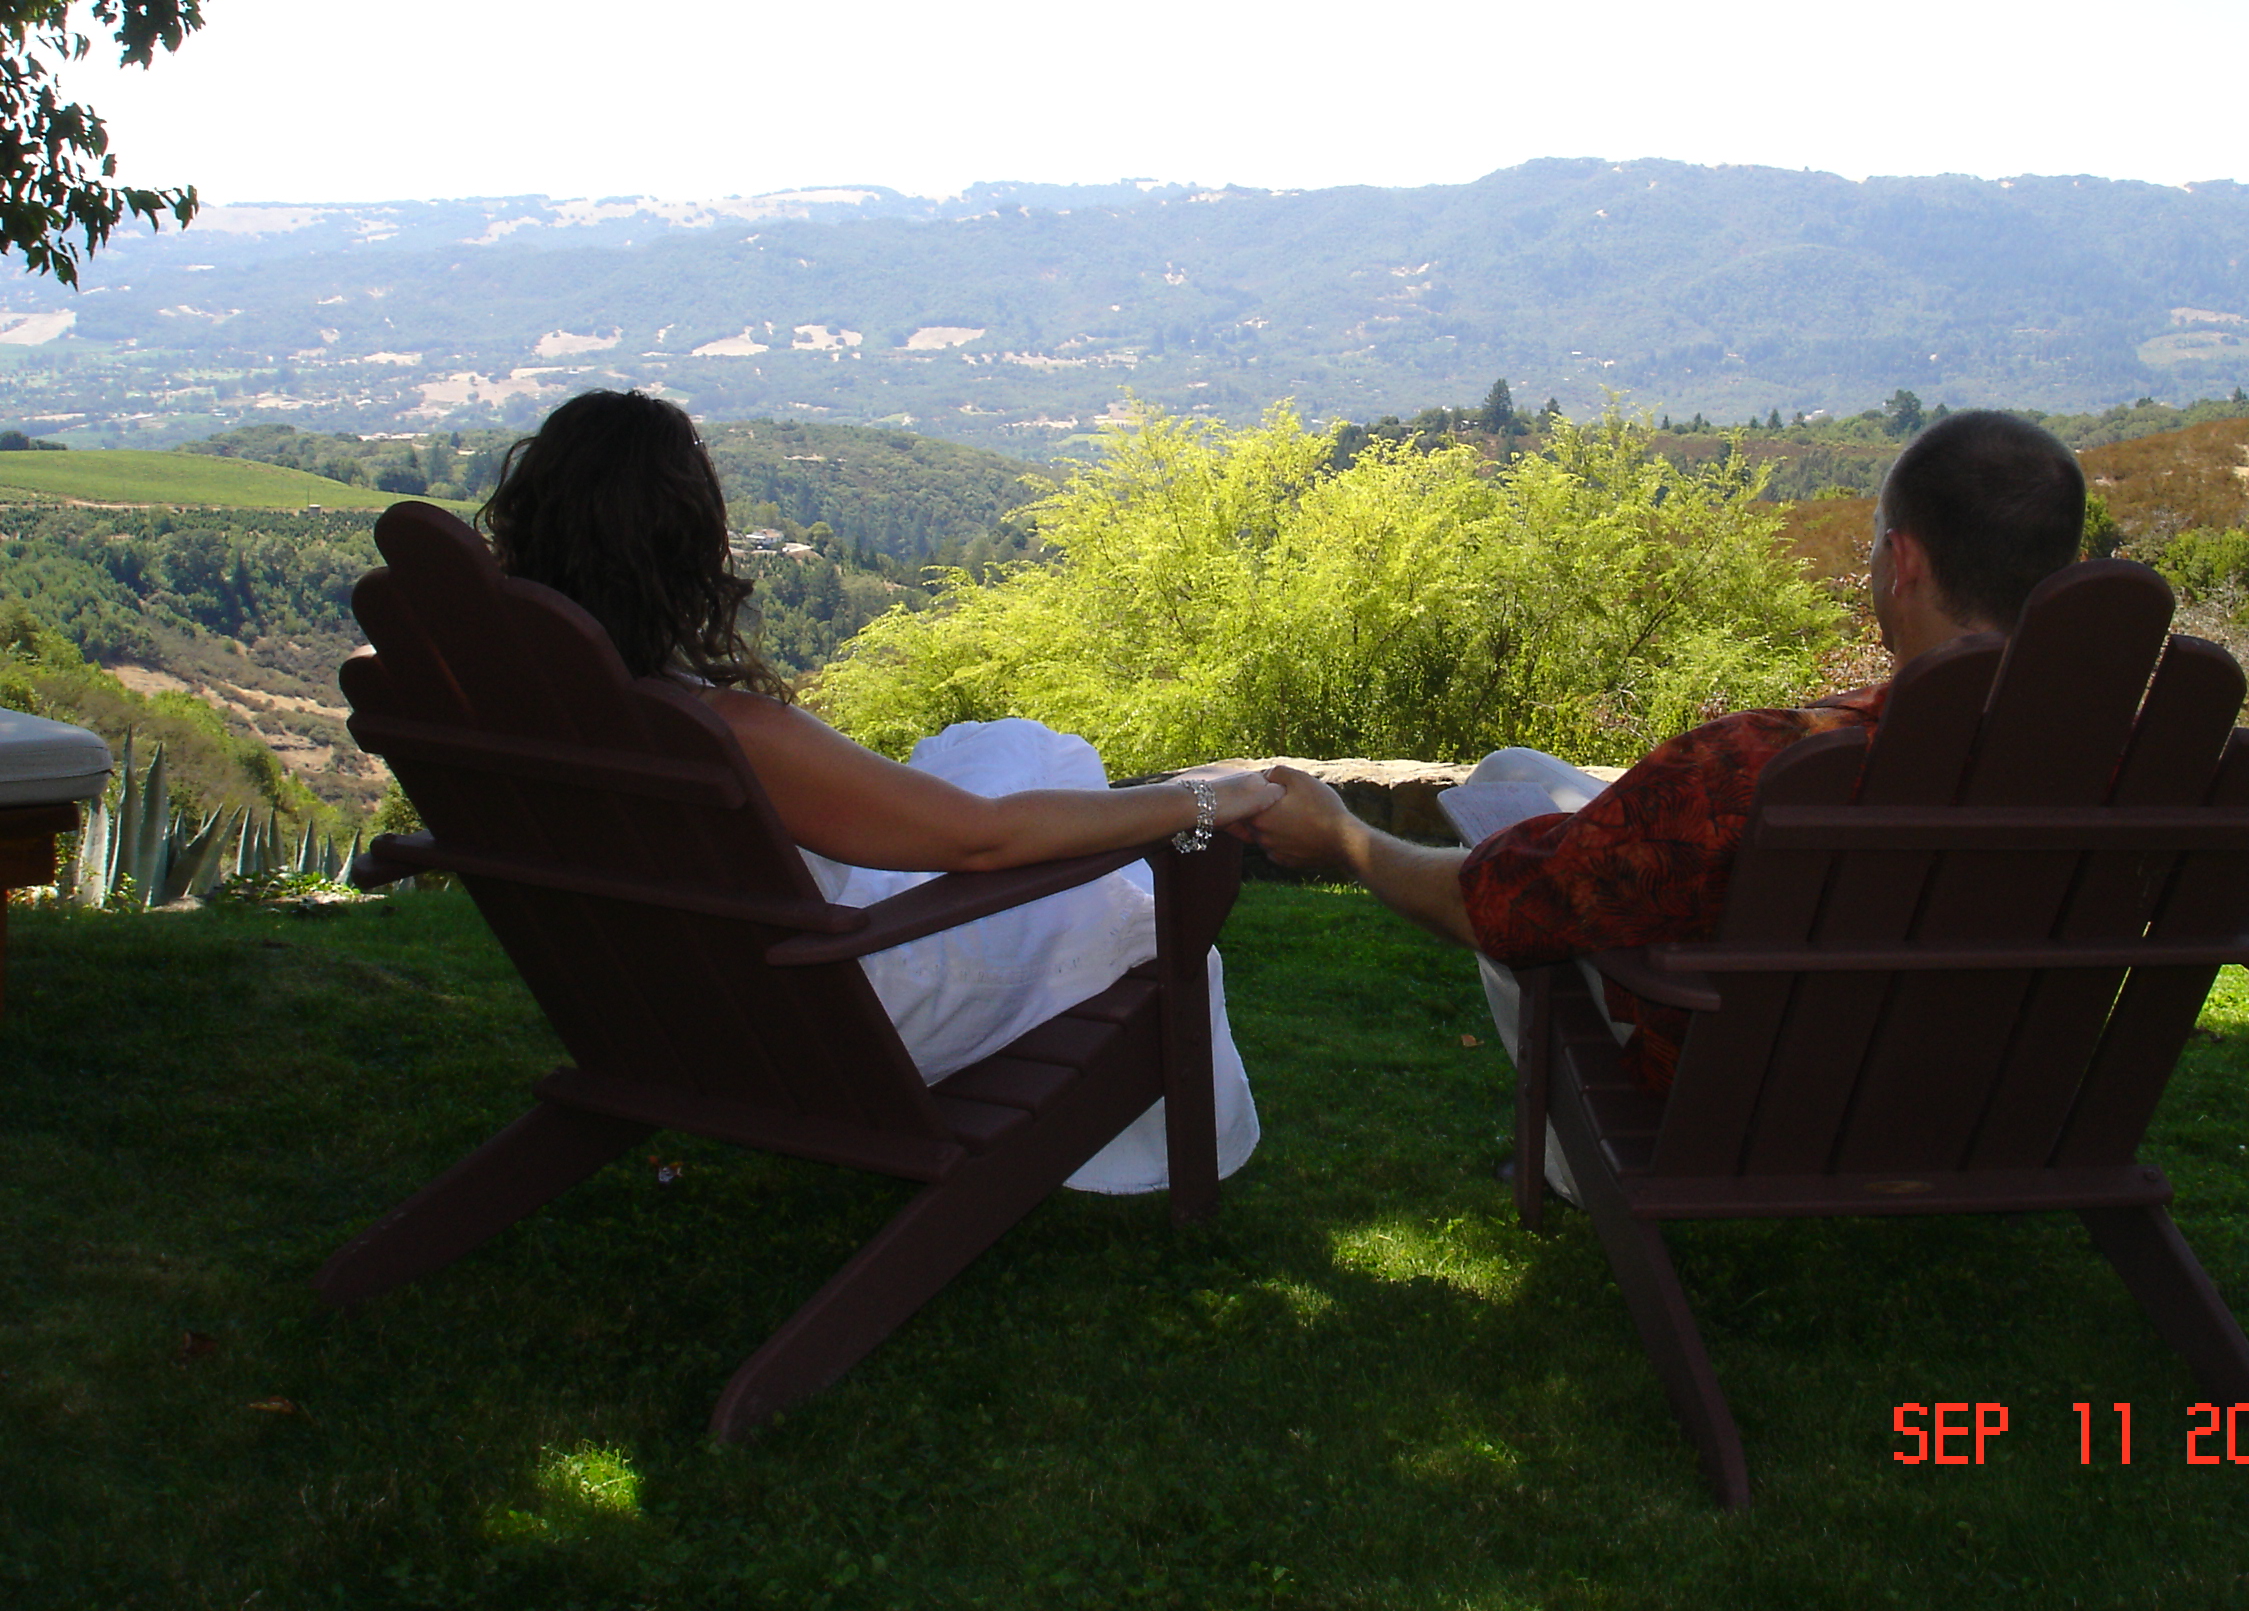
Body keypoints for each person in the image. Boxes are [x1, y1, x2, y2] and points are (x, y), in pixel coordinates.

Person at [1246, 410, 2118, 1193]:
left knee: (1531, 886)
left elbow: (1497, 909)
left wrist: (1343, 838)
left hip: (1762, 1096)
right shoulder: (2126, 763)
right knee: (1513, 772)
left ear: (1906, 562)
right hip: (1982, 1091)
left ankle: (1574, 1168)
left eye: (1874, 548)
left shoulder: (1760, 767)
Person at [477, 388, 1280, 1193]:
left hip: (662, 1006)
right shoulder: (724, 733)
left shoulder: (510, 709)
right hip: (832, 1012)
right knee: (1115, 890)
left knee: (1016, 745)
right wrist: (1207, 801)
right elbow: (985, 841)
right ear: (683, 542)